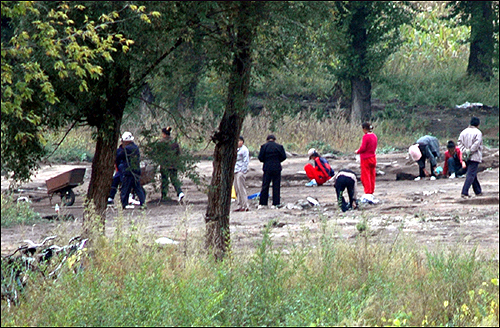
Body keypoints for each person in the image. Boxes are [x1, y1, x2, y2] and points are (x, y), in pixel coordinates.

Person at [117, 132, 146, 209]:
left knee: (125, 188)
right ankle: (143, 203)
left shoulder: (126, 149)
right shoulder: (136, 147)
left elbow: (120, 156)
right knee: (138, 188)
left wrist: (121, 148)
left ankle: (124, 204)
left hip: (128, 171)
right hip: (136, 171)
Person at [258, 134, 287, 209]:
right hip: (277, 168)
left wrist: (266, 161)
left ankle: (263, 203)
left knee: (265, 185)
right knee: (276, 186)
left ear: (267, 140)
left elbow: (260, 157)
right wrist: (277, 161)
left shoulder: (264, 147)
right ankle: (276, 203)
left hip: (267, 168)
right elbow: (284, 157)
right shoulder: (279, 147)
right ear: (274, 139)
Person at [458, 117, 483, 198]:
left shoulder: (463, 132)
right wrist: (471, 151)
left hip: (466, 156)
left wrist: (465, 151)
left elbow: (459, 142)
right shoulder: (478, 132)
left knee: (473, 174)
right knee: (471, 174)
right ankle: (464, 192)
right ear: (478, 124)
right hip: (475, 156)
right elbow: (477, 144)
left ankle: (478, 191)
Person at [159, 127, 184, 202]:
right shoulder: (174, 142)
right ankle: (180, 192)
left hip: (165, 165)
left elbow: (158, 154)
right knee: (174, 179)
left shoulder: (161, 143)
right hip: (174, 164)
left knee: (164, 180)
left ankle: (164, 196)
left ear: (163, 134)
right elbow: (179, 153)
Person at [355, 122, 378, 201]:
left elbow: (363, 148)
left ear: (364, 129)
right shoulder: (374, 136)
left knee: (366, 176)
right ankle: (371, 191)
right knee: (372, 175)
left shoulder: (366, 137)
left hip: (366, 159)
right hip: (373, 158)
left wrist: (357, 151)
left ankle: (367, 192)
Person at [233, 136, 250, 212]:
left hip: (240, 171)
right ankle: (239, 205)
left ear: (242, 142)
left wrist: (243, 171)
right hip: (235, 170)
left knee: (241, 188)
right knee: (236, 188)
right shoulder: (236, 149)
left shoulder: (244, 150)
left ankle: (245, 205)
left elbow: (246, 161)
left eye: (239, 141)